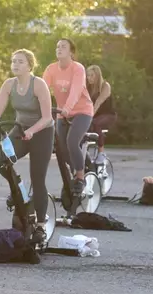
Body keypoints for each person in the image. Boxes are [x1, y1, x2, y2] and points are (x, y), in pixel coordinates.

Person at [0, 49, 54, 242]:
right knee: (2, 161)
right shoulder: (9, 85)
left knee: (38, 178)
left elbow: (47, 117)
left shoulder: (39, 85)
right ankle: (19, 193)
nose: (15, 65)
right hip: (20, 129)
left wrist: (32, 131)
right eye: (13, 61)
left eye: (20, 61)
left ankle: (41, 226)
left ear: (29, 65)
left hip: (42, 132)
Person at [42, 38, 94, 194]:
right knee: (61, 148)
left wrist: (67, 108)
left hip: (82, 111)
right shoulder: (51, 69)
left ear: (71, 52)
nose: (59, 49)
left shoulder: (78, 68)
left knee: (72, 142)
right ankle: (82, 166)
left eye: (63, 46)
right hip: (62, 113)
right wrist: (38, 107)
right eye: (57, 46)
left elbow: (76, 91)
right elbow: (42, 90)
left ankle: (80, 177)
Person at [86, 64, 117, 164]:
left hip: (109, 115)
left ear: (98, 76)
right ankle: (84, 153)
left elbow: (98, 103)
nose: (89, 78)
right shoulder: (88, 88)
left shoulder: (105, 86)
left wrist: (89, 117)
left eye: (92, 75)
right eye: (88, 75)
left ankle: (101, 153)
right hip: (96, 115)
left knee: (95, 123)